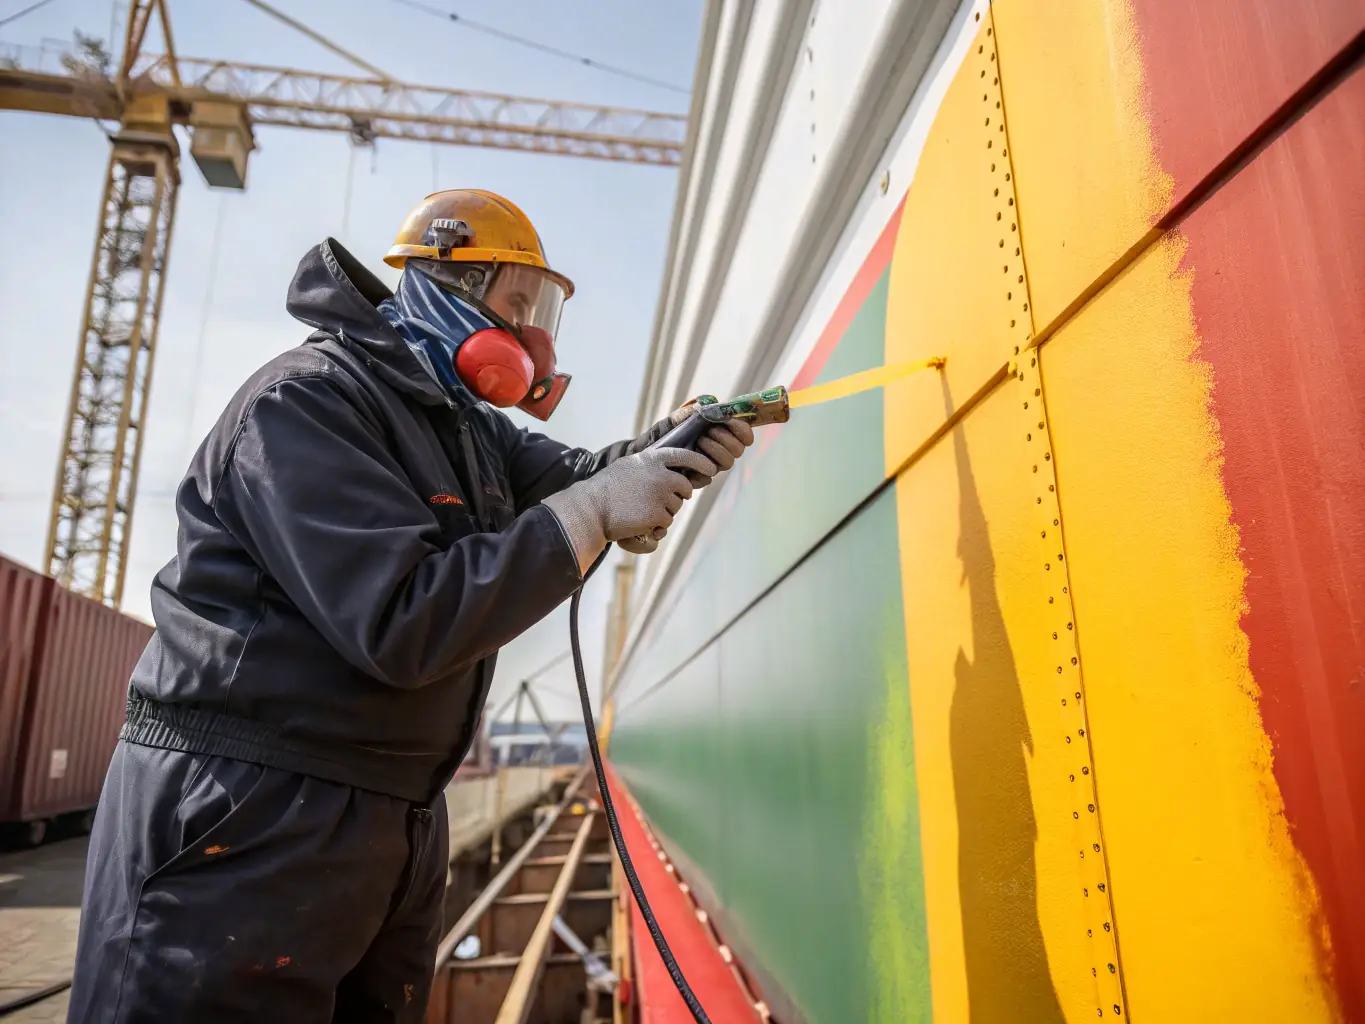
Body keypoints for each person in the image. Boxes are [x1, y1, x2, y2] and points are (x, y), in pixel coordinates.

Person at [66, 189, 752, 1023]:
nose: (534, 336)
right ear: (442, 284)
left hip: (386, 814)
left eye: (540, 312)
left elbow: (576, 478)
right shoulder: (305, 404)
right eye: (516, 304)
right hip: (246, 815)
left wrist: (665, 446)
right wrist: (599, 507)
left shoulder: (460, 426)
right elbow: (403, 622)